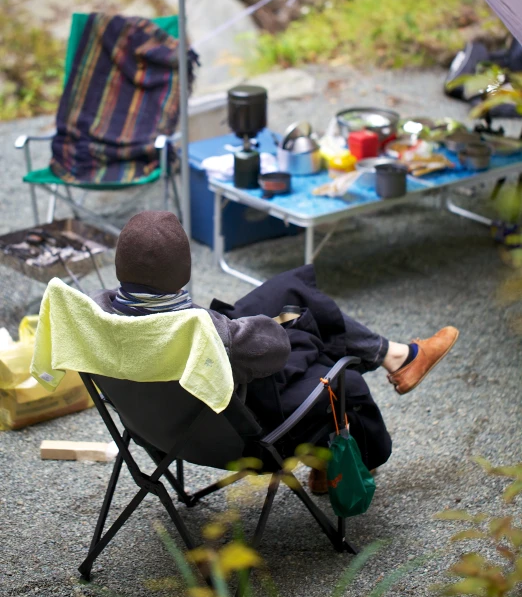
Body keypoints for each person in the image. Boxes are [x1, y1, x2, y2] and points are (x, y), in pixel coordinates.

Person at [91, 211, 458, 493]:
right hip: (242, 430)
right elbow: (276, 349)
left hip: (162, 426)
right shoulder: (208, 331)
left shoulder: (99, 316)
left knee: (290, 290)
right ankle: (341, 460)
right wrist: (278, 328)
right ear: (183, 271)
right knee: (336, 371)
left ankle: (397, 356)